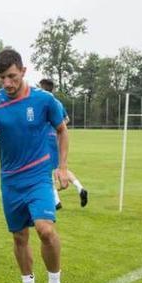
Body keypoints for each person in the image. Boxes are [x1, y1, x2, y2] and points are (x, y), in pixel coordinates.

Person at [0, 49, 69, 283]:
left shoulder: (44, 100)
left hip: (38, 176)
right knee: (19, 237)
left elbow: (62, 130)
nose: (7, 83)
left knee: (45, 230)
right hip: (10, 180)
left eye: (12, 76)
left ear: (24, 71)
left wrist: (62, 167)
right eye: (2, 77)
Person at [38, 78, 88, 208]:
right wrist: (59, 127)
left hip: (46, 139)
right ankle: (79, 188)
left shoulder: (42, 102)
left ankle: (56, 201)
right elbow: (66, 119)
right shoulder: (58, 103)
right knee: (60, 168)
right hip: (58, 138)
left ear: (43, 88)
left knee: (46, 170)